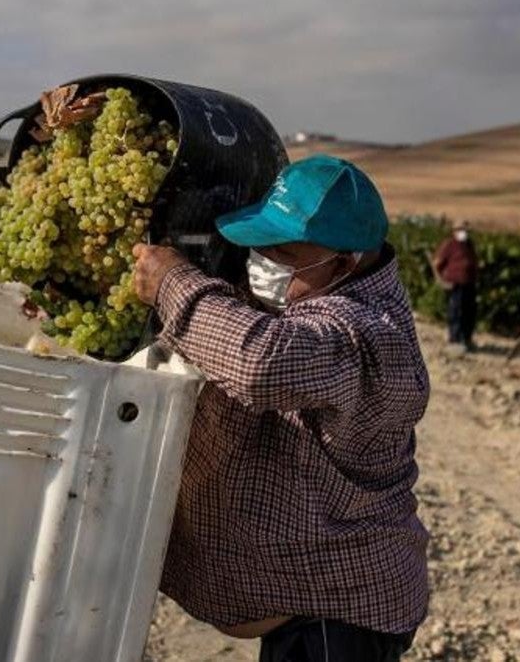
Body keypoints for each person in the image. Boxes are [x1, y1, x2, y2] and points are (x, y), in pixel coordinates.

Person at [132, 154, 431, 662]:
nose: (263, 262)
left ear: (346, 261)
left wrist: (173, 285)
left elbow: (261, 363)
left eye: (284, 252)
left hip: (340, 613)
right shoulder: (307, 303)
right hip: (307, 602)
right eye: (261, 246)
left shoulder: (371, 339)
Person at [431, 221, 478, 352]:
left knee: (469, 312)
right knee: (456, 312)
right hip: (454, 284)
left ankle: (467, 339)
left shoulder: (469, 245)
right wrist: (441, 280)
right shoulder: (449, 245)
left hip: (469, 283)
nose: (464, 232)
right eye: (461, 229)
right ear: (454, 231)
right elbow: (437, 263)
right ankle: (454, 340)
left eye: (466, 230)